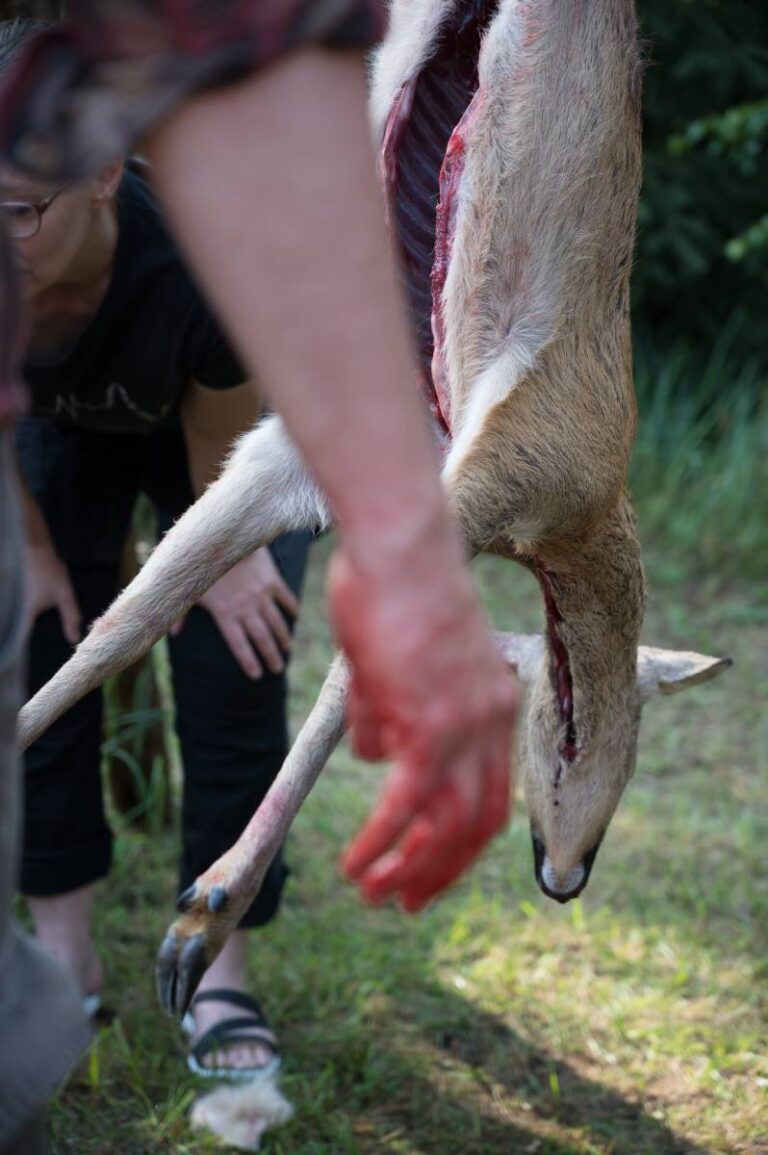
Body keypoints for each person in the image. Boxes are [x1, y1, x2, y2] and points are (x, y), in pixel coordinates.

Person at [0, 3, 518, 1148]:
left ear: (102, 176)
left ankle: (221, 964)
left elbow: (231, 441)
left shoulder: (197, 245)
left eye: (19, 216)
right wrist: (36, 553)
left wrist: (222, 566)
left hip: (221, 437)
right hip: (60, 444)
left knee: (237, 657)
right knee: (40, 638)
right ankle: (63, 946)